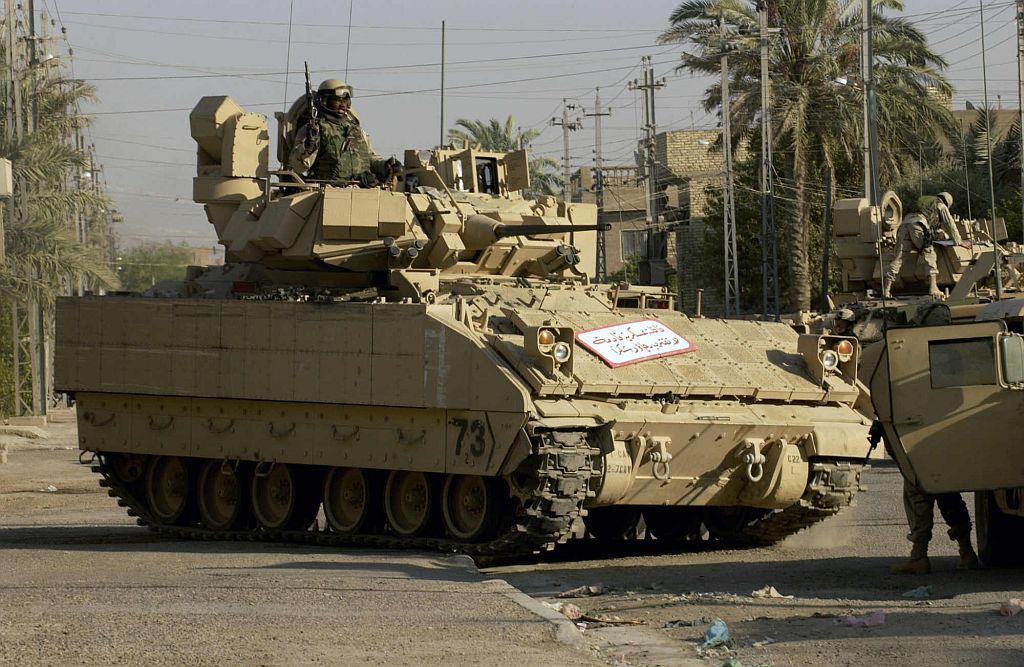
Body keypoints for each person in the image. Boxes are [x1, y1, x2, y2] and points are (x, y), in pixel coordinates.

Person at [868, 421, 980, 574]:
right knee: (946, 490)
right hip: (939, 433)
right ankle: (967, 551)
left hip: (913, 431)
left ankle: (919, 556)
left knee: (917, 490)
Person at [288, 79, 399, 186]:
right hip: (327, 191)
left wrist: (386, 166)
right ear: (325, 100)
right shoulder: (314, 130)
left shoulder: (357, 131)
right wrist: (307, 148)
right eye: (337, 100)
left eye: (345, 101)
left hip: (361, 190)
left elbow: (370, 158)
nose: (343, 105)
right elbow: (297, 166)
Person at [883, 212, 942, 299]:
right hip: (918, 224)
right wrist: (958, 241)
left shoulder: (917, 207)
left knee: (898, 258)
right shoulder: (941, 207)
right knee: (929, 253)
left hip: (905, 224)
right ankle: (933, 287)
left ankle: (886, 290)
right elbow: (950, 224)